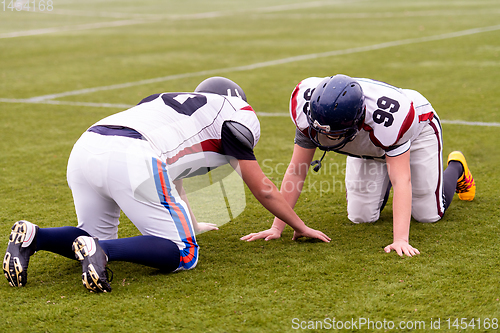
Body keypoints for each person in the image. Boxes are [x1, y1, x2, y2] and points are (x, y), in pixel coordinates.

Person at [3, 77, 330, 293]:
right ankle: (103, 252)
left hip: (88, 145)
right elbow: (264, 188)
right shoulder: (237, 114)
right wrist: (299, 225)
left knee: (91, 234)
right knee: (183, 253)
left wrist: (192, 220)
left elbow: (175, 172)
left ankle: (35, 236)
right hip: (133, 156)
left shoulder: (165, 101)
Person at [241, 74, 475, 257]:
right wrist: (277, 227)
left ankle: (456, 168)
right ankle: (382, 176)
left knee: (427, 214)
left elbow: (402, 180)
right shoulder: (307, 106)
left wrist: (400, 240)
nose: (327, 138)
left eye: (335, 134)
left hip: (415, 128)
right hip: (368, 142)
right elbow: (296, 171)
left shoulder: (392, 120)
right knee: (361, 216)